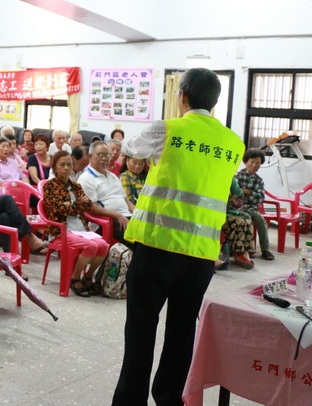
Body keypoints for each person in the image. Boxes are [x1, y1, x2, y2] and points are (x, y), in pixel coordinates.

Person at [112, 68, 245, 406]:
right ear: (214, 102)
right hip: (200, 254)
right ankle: (169, 398)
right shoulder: (233, 143)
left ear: (181, 95)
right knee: (182, 332)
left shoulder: (167, 129)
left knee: (141, 330)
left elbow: (130, 148)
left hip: (156, 248)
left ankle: (130, 401)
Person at [42, 150, 110, 297]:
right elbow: (59, 209)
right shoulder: (50, 186)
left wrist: (71, 204)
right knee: (90, 246)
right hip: (61, 231)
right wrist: (76, 204)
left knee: (104, 246)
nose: (66, 168)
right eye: (62, 165)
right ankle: (75, 277)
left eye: (69, 164)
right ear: (54, 167)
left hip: (81, 229)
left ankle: (88, 276)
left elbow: (87, 205)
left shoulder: (76, 186)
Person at [77, 141, 133, 243]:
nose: (104, 158)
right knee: (137, 239)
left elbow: (126, 200)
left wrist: (138, 214)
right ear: (90, 156)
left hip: (126, 216)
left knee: (149, 230)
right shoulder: (85, 178)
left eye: (107, 155)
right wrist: (117, 215)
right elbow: (91, 207)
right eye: (100, 155)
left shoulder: (113, 176)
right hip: (108, 221)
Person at [235, 148, 274, 260]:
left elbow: (260, 198)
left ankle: (265, 250)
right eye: (252, 162)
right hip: (238, 208)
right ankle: (246, 250)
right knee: (246, 221)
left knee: (261, 221)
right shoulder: (238, 176)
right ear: (246, 161)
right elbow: (235, 194)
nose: (255, 165)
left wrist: (247, 192)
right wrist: (249, 194)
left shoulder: (259, 180)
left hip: (252, 208)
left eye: (258, 163)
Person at [222, 178, 255, 269]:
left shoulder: (229, 178)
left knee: (247, 219)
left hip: (230, 211)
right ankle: (240, 252)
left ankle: (243, 252)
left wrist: (236, 199)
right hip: (217, 212)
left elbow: (239, 194)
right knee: (239, 222)